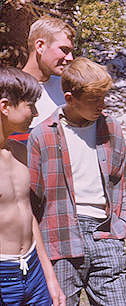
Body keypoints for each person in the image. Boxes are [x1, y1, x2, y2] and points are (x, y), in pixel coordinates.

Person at [28, 57, 126, 305]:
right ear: (69, 98)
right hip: (61, 238)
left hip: (105, 232)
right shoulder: (43, 135)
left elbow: (122, 183)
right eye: (94, 99)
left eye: (104, 97)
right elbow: (32, 200)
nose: (102, 105)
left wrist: (122, 226)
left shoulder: (110, 128)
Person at [0, 66, 65, 305]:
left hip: (33, 270)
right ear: (5, 106)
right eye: (30, 105)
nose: (36, 113)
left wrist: (50, 277)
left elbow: (27, 215)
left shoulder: (19, 152)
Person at [9, 16, 75, 143]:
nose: (70, 58)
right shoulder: (9, 89)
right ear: (40, 46)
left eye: (71, 51)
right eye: (64, 50)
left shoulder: (68, 89)